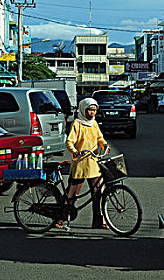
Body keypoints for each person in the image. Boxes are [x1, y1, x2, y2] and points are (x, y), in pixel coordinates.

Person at [60, 97, 109, 229]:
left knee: (99, 193)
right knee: (72, 193)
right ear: (83, 110)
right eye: (90, 110)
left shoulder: (94, 123)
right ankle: (60, 219)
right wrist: (74, 151)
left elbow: (100, 138)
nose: (92, 113)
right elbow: (69, 141)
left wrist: (104, 145)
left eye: (94, 110)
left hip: (93, 163)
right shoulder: (77, 124)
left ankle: (99, 221)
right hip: (80, 163)